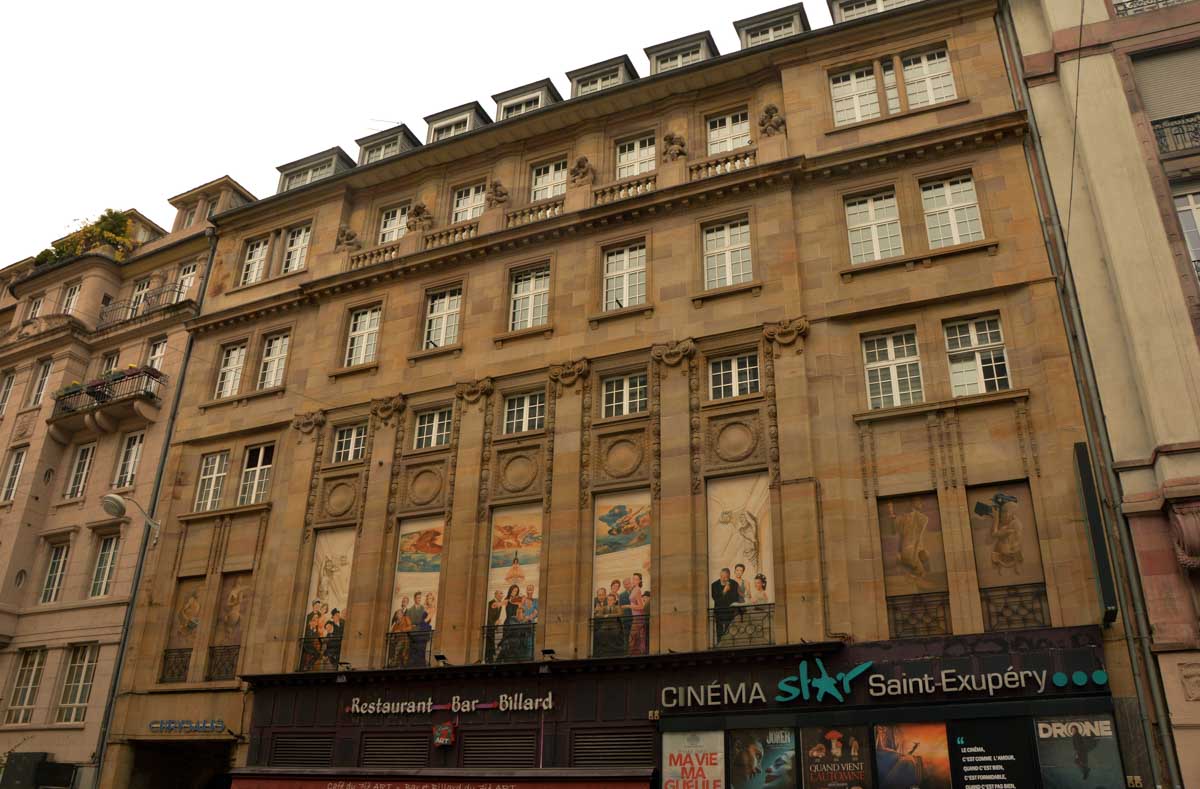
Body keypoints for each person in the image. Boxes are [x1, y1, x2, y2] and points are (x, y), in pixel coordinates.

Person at [711, 568, 739, 641]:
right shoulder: (714, 585)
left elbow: (735, 599)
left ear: (729, 576)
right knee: (719, 632)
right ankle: (719, 643)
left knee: (729, 631)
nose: (724, 579)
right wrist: (724, 591)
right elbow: (716, 599)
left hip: (730, 612)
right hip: (719, 612)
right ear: (720, 575)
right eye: (722, 577)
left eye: (726, 577)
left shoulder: (734, 584)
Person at [627, 572, 647, 655]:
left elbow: (641, 606)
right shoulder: (634, 589)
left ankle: (635, 654)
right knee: (635, 637)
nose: (634, 580)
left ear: (639, 581)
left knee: (633, 637)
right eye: (633, 579)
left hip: (638, 617)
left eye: (636, 579)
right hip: (636, 616)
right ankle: (636, 654)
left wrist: (628, 606)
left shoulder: (638, 590)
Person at [485, 590, 504, 662]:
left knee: (491, 642)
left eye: (502, 594)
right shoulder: (491, 603)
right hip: (489, 627)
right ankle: (489, 658)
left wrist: (496, 625)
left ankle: (490, 658)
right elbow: (489, 616)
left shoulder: (499, 605)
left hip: (492, 628)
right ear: (496, 595)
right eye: (500, 593)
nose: (502, 595)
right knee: (489, 642)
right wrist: (494, 624)